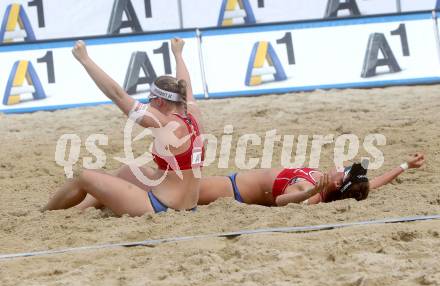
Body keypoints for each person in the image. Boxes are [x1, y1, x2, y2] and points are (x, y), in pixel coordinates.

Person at [43, 38, 205, 216]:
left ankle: (44, 213)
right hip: (189, 205)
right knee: (128, 172)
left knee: (84, 177)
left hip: (161, 207)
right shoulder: (193, 112)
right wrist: (178, 55)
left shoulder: (165, 123)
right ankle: (79, 209)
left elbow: (117, 94)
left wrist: (85, 60)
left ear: (159, 101)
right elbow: (185, 86)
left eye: (150, 101)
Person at [198, 153, 425, 207]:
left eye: (344, 170)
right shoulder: (337, 185)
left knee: (175, 194)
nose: (342, 165)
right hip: (233, 182)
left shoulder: (312, 191)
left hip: (232, 190)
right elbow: (374, 183)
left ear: (337, 184)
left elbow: (281, 201)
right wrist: (405, 166)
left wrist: (310, 191)